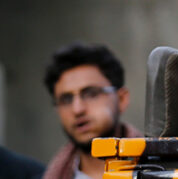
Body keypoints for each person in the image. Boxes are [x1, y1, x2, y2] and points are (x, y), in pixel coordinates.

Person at [42, 43, 140, 179]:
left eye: (91, 94)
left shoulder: (165, 171)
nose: (77, 109)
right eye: (66, 99)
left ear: (121, 99)